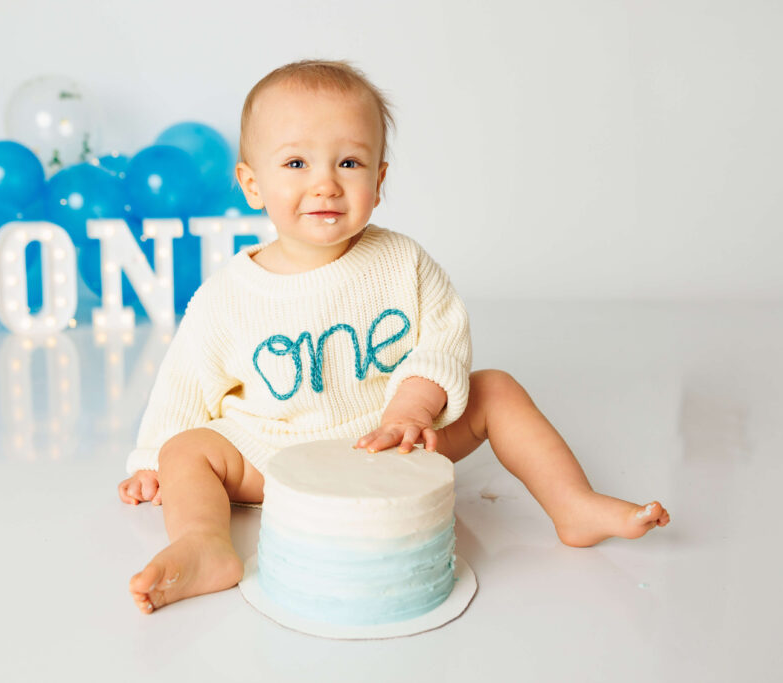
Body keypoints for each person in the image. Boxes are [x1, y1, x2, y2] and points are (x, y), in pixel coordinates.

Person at [118, 59, 670, 615]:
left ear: (379, 180)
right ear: (252, 184)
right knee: (186, 449)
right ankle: (205, 544)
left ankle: (572, 503)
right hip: (276, 457)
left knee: (496, 389)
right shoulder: (228, 295)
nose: (325, 183)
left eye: (349, 162)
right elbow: (185, 381)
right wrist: (149, 460)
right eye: (295, 162)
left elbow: (443, 340)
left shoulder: (402, 262)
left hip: (398, 442)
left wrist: (411, 409)